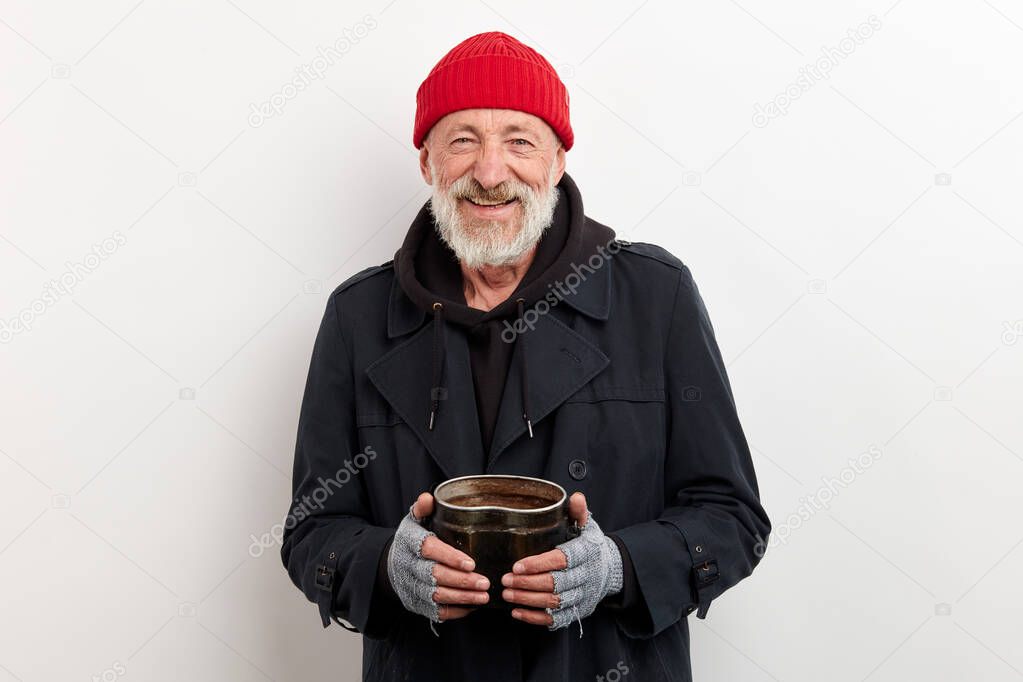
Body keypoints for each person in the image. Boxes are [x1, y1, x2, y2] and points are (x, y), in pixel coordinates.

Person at [281, 30, 771, 682]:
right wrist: (381, 566)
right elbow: (311, 530)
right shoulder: (358, 315)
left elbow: (732, 517)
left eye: (518, 141)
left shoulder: (656, 295)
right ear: (427, 163)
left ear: (557, 162)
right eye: (462, 141)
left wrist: (620, 568)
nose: (489, 173)